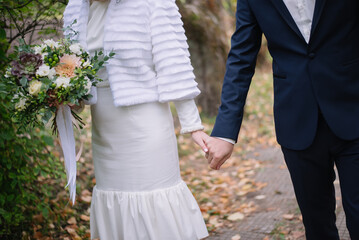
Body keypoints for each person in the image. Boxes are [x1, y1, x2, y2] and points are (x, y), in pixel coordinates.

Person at [206, 0, 359, 239]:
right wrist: (225, 131)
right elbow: (241, 58)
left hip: (353, 106)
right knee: (317, 226)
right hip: (296, 121)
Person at [63, 0, 210, 239]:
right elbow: (75, 70)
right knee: (115, 197)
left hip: (146, 121)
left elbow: (174, 63)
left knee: (152, 199)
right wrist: (64, 97)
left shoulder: (153, 3)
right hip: (104, 124)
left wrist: (193, 126)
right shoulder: (75, 8)